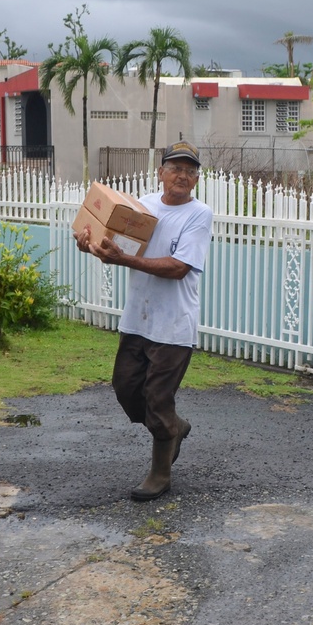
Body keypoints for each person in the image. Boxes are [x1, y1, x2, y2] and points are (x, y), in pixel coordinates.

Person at [74, 140, 213, 502]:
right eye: (175, 168)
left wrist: (123, 260)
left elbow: (179, 268)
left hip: (173, 326)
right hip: (137, 318)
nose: (182, 175)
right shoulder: (142, 207)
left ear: (196, 179)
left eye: (190, 170)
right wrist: (89, 242)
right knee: (126, 390)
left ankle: (160, 473)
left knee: (157, 399)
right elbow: (112, 243)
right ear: (161, 173)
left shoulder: (199, 215)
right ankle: (175, 428)